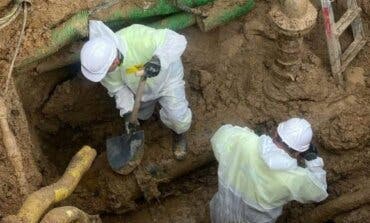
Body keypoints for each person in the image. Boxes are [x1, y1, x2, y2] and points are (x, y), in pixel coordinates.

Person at [80, 20, 192, 160]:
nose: (105, 75)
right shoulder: (106, 69)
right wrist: (127, 113)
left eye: (105, 71)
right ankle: (142, 123)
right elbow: (119, 89)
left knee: (178, 118)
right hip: (140, 88)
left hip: (168, 79)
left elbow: (176, 40)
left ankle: (179, 134)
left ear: (113, 61)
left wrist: (158, 60)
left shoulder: (137, 37)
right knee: (139, 116)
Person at [210, 118, 328, 223]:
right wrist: (313, 161)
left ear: (276, 132)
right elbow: (320, 192)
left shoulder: (243, 141)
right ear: (298, 153)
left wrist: (248, 135)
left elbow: (220, 136)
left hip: (221, 213)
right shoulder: (295, 178)